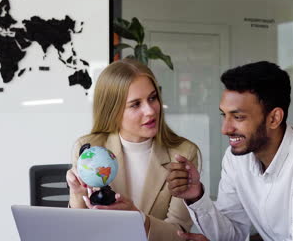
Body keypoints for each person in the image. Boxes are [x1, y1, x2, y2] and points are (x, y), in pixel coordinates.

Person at [167, 61, 293, 241]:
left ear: (274, 118)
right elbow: (232, 234)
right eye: (224, 115)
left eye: (238, 117)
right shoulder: (235, 158)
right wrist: (195, 195)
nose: (225, 129)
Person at [66, 59, 200, 241]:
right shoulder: (89, 149)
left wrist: (138, 219)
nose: (150, 111)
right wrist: (77, 194)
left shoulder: (183, 153)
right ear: (112, 111)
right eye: (136, 104)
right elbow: (76, 232)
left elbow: (180, 234)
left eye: (152, 98)